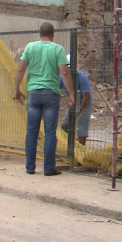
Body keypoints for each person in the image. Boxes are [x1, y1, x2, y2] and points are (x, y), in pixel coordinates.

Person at [13, 22, 74, 176]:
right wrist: (71, 93)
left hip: (33, 93)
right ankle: (48, 168)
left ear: (39, 34)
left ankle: (30, 167)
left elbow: (20, 69)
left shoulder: (30, 47)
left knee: (31, 131)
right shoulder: (58, 49)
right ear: (53, 35)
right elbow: (65, 73)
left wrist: (16, 89)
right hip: (51, 94)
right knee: (50, 132)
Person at [60, 58, 92, 146]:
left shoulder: (82, 78)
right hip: (73, 102)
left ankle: (81, 148)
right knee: (65, 125)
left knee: (82, 126)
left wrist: (78, 111)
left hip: (84, 103)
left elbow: (86, 97)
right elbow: (55, 90)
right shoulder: (62, 77)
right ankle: (67, 145)